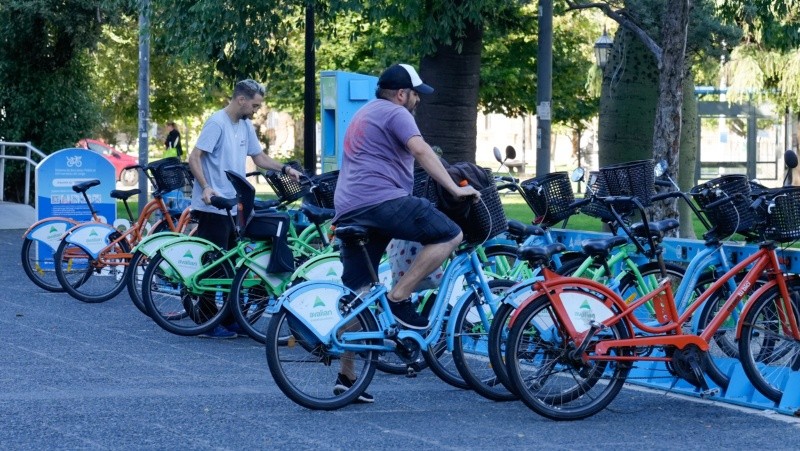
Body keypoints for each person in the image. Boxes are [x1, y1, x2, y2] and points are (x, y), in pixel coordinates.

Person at [332, 63, 479, 399]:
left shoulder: (366, 113)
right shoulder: (396, 113)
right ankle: (400, 297)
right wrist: (455, 189)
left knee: (362, 295)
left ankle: (346, 374)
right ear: (402, 94)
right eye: (416, 94)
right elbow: (420, 150)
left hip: (350, 207)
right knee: (449, 234)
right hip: (381, 202)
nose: (417, 100)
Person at [188, 79, 302, 338]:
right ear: (241, 100)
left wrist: (285, 169)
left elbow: (258, 157)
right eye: (255, 104)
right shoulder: (217, 123)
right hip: (213, 206)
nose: (256, 110)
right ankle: (208, 322)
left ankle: (229, 319)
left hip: (234, 205)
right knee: (214, 266)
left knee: (235, 265)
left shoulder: (246, 125)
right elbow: (194, 157)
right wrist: (206, 187)